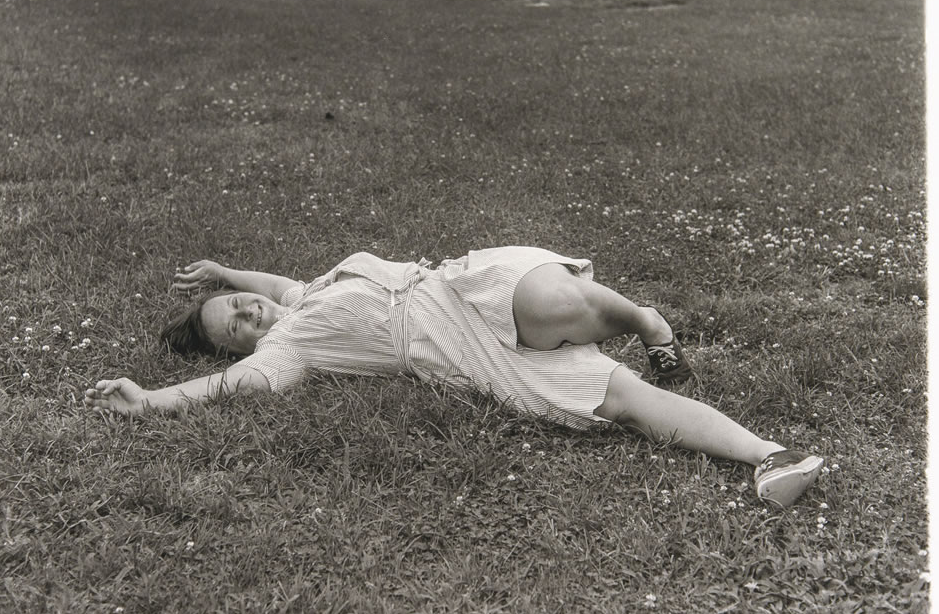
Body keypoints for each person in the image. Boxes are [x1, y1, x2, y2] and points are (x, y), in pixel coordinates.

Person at [84, 246, 825, 508]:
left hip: (458, 285)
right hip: (460, 352)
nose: (249, 313)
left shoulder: (300, 295)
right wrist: (152, 401)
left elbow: (274, 284)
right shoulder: (289, 349)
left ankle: (644, 323)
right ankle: (772, 456)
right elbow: (241, 385)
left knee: (553, 301)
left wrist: (223, 273)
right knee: (628, 402)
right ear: (241, 348)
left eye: (238, 305)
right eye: (235, 327)